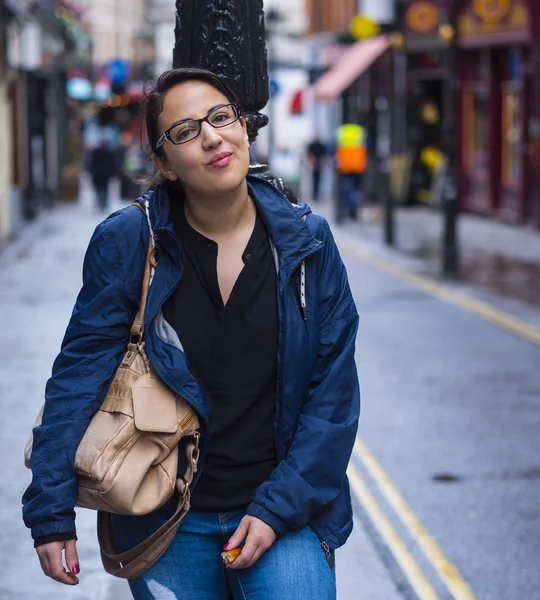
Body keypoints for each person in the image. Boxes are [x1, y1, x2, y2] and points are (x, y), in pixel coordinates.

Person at [22, 68, 360, 600]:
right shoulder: (130, 240)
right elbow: (79, 374)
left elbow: (333, 397)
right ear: (163, 162)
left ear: (244, 127)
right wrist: (50, 510)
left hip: (284, 509)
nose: (210, 136)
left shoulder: (307, 243)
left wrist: (277, 510)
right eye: (184, 131)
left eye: (221, 117)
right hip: (165, 517)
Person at [335, 123, 368, 221]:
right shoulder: (360, 131)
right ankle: (354, 211)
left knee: (346, 191)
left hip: (344, 168)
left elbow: (334, 148)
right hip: (358, 167)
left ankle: (347, 211)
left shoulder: (341, 131)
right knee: (356, 191)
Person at [87, 135, 119, 211]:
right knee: (104, 189)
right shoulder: (109, 152)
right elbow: (113, 164)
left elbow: (91, 163)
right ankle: (102, 203)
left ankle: (101, 203)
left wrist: (90, 171)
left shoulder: (95, 152)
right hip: (104, 174)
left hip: (97, 174)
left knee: (99, 189)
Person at [306, 137, 328, 202]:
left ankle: (316, 194)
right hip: (316, 164)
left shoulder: (316, 145)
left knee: (316, 180)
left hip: (317, 164)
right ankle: (316, 194)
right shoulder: (317, 145)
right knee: (317, 180)